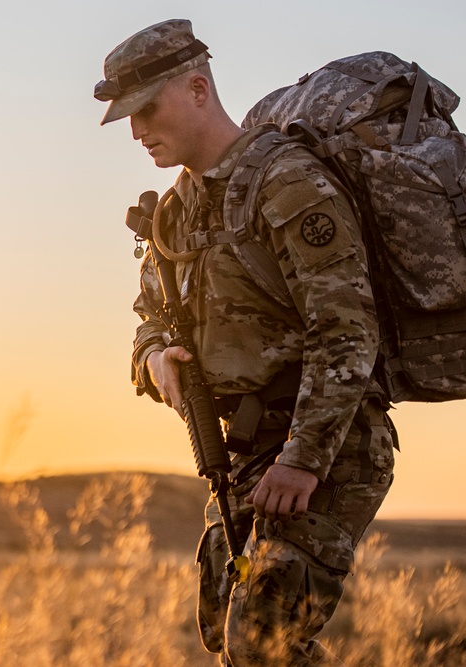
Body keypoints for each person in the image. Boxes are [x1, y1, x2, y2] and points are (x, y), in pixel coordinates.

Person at [95, 19, 396, 666]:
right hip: (241, 454)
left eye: (147, 108)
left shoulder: (283, 183)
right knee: (225, 636)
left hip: (326, 445)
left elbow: (347, 327)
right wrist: (154, 360)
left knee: (259, 643)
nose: (136, 130)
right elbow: (148, 316)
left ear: (198, 88)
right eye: (127, 116)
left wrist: (304, 458)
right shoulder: (172, 212)